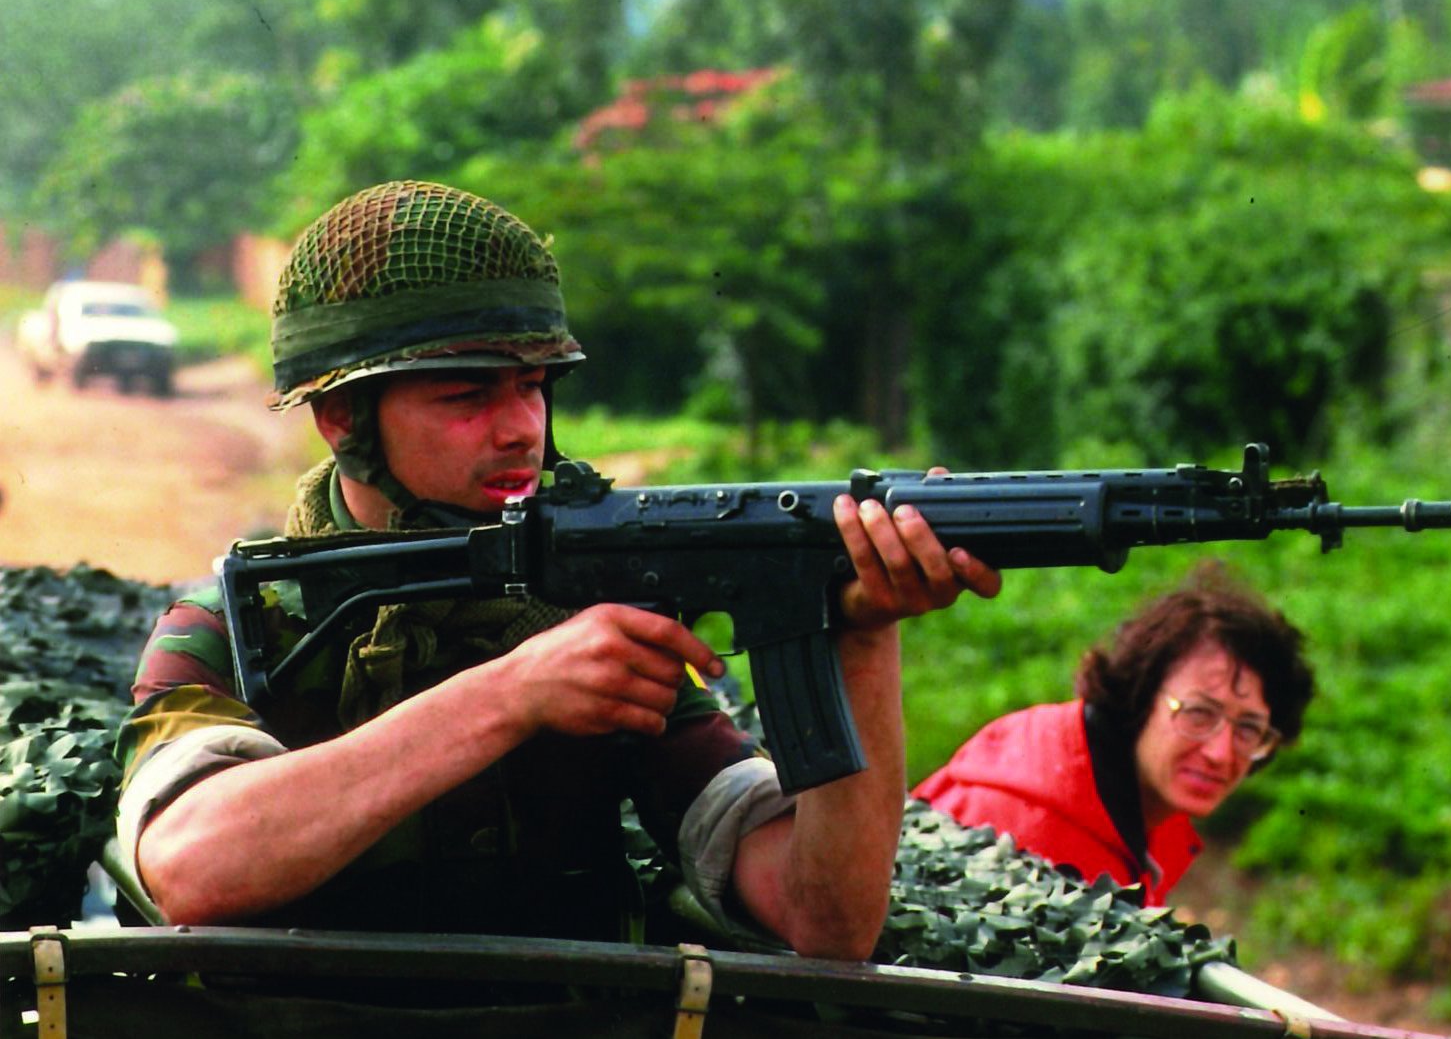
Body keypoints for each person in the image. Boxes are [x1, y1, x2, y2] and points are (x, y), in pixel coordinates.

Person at [113, 180, 1000, 961]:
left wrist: (858, 634)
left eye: (535, 385)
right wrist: (511, 693)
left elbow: (825, 920)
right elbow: (190, 866)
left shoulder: (582, 610)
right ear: (342, 418)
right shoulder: (235, 624)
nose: (521, 429)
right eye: (468, 395)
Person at [911, 563, 1313, 907]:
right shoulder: (1024, 833)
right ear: (1140, 695)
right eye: (1198, 714)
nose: (1220, 752)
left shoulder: (1143, 810)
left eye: (1248, 729)